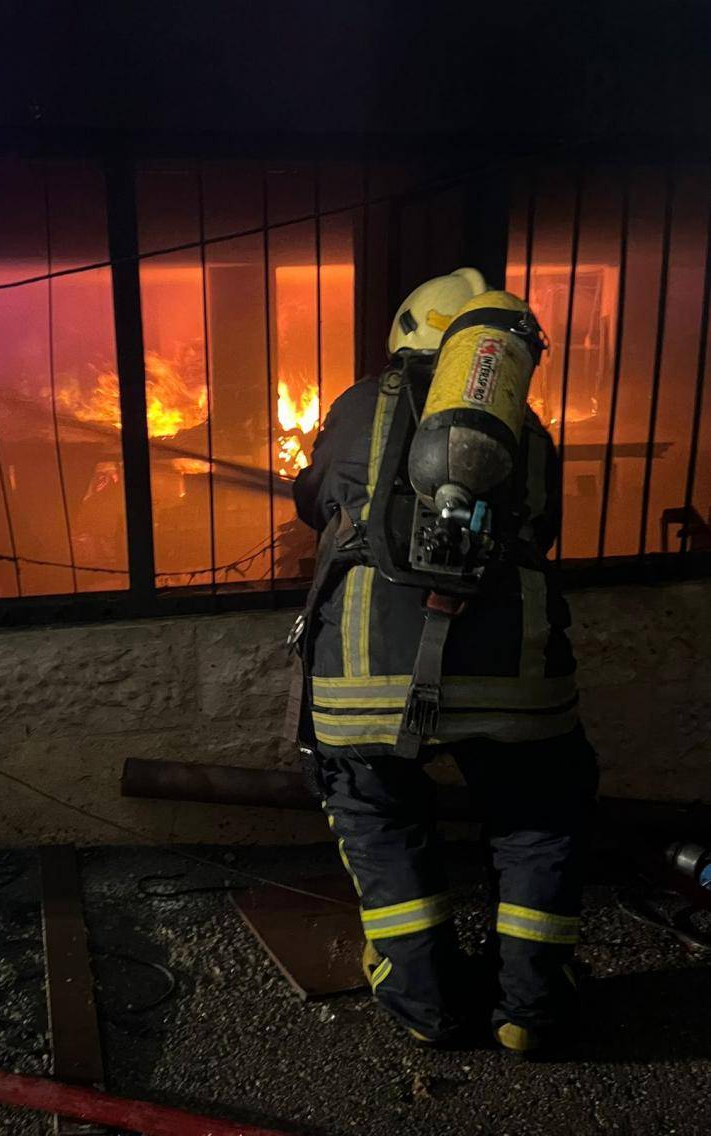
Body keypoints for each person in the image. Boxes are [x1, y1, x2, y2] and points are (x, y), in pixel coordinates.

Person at [291, 268, 599, 1056]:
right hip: (515, 674)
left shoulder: (358, 405)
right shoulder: (525, 428)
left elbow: (313, 500)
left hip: (366, 676)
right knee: (538, 818)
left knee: (378, 816)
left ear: (405, 336)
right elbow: (543, 530)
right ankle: (531, 1010)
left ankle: (424, 1004)